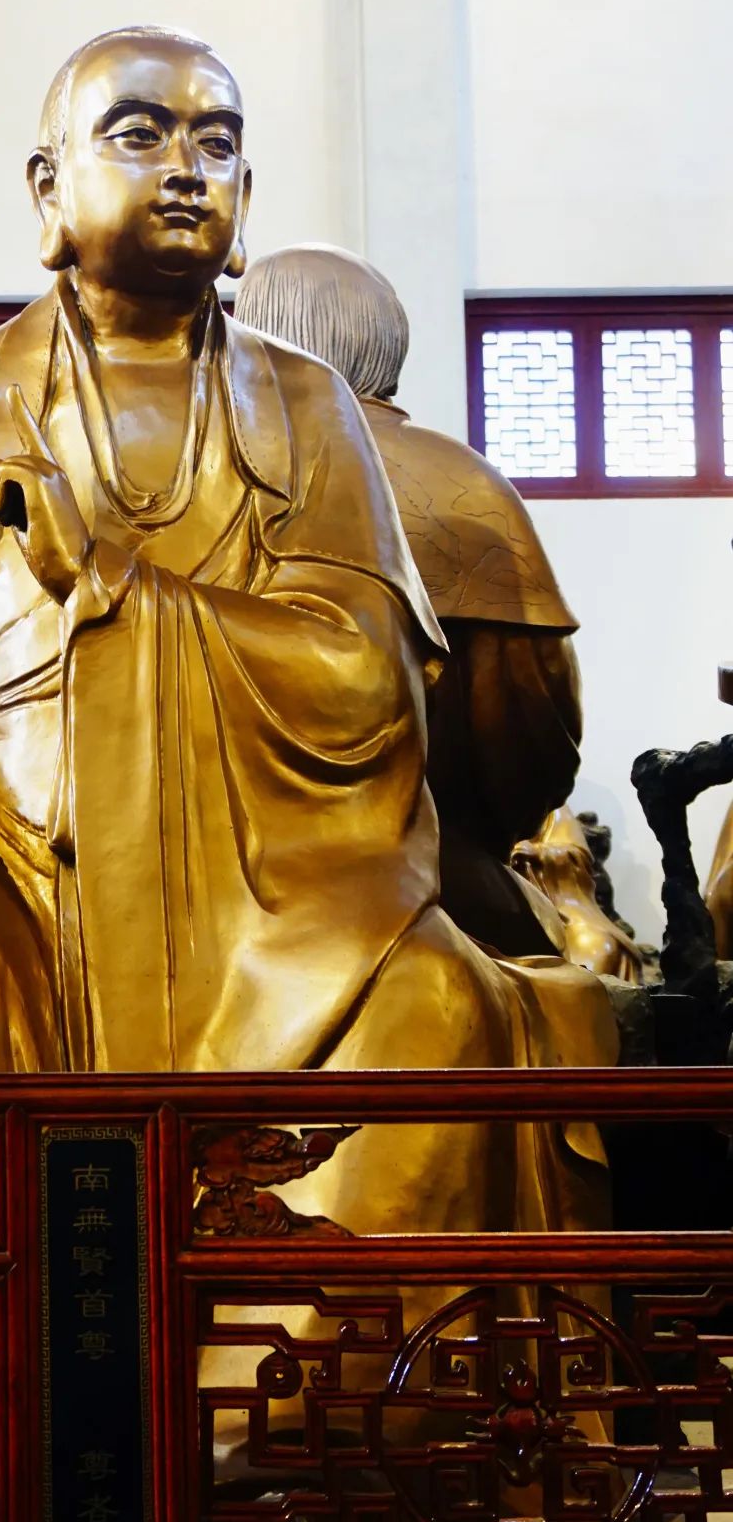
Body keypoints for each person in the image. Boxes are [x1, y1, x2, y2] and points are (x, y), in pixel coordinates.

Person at [0, 29, 616, 1251]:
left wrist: (105, 583)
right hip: (2, 868)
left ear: (247, 193)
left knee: (431, 1008)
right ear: (50, 188)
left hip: (278, 894)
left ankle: (314, 1369)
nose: (185, 169)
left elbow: (367, 682)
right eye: (140, 134)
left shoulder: (310, 411)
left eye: (217, 144)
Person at [234, 243, 639, 978]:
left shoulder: (211, 478)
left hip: (230, 895)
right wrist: (490, 832)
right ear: (390, 344)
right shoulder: (466, 486)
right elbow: (538, 727)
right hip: (442, 884)